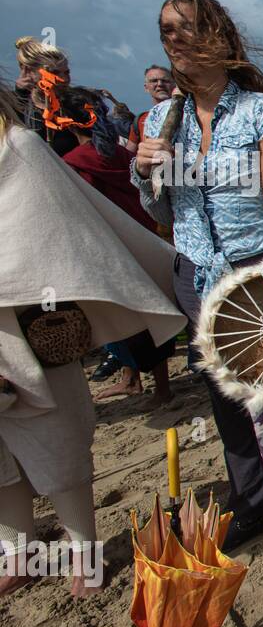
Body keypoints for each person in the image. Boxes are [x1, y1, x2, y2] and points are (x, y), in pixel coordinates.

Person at [131, 0, 263, 576]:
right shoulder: (158, 119)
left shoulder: (260, 114)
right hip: (196, 279)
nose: (171, 39)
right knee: (225, 401)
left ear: (219, 39)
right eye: (164, 29)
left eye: (185, 28)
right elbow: (163, 211)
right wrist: (146, 170)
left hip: (258, 276)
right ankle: (254, 503)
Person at [0, 81, 186, 598]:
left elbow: (55, 237)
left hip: (30, 325)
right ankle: (16, 549)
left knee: (52, 440)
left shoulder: (19, 147)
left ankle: (83, 550)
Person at [58, 87, 175, 406]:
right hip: (142, 237)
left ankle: (154, 386)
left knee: (130, 316)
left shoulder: (72, 163)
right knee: (146, 312)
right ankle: (138, 380)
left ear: (67, 123)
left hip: (113, 247)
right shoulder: (123, 156)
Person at [128, 65, 176, 155]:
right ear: (146, 88)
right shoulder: (140, 120)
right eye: (154, 81)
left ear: (174, 85)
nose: (160, 84)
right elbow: (128, 155)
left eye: (165, 81)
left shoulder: (189, 116)